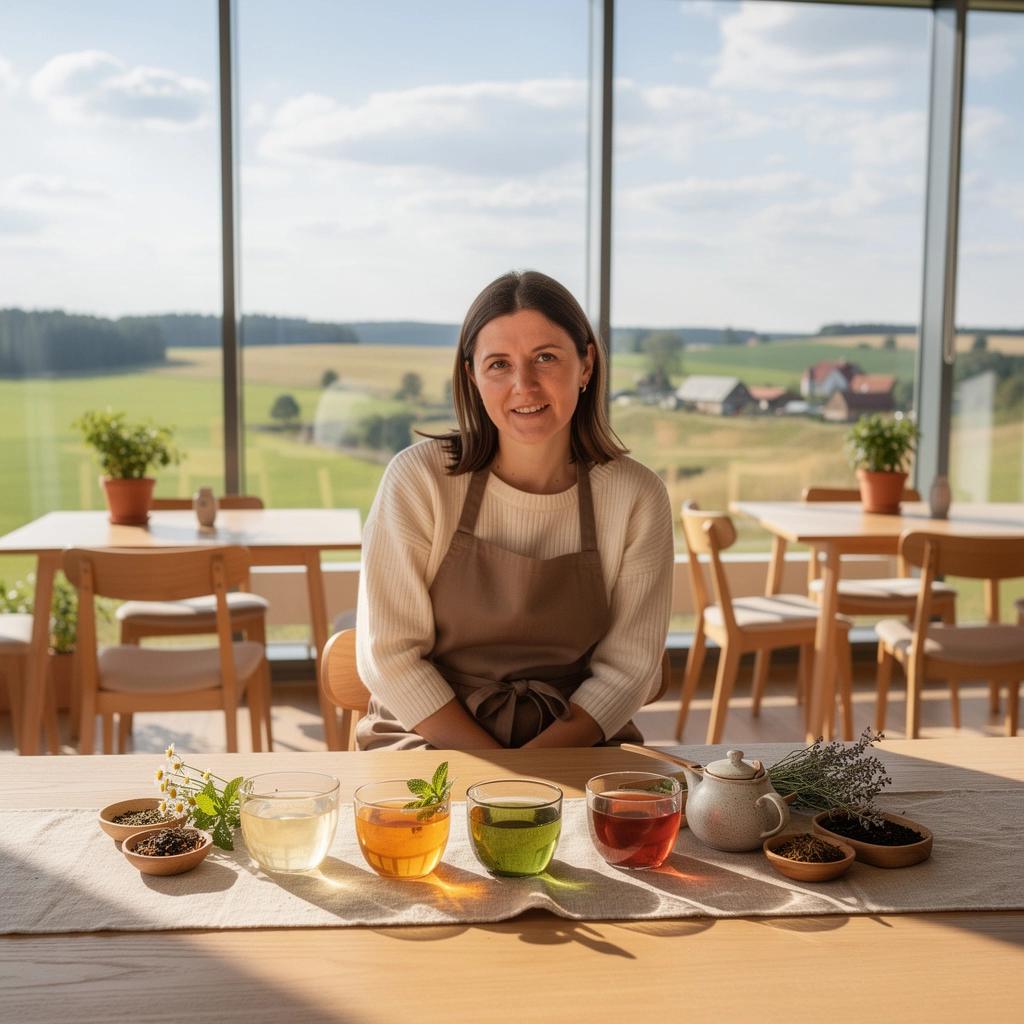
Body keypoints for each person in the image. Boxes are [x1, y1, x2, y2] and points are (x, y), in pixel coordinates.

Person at [355, 270, 674, 750]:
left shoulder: (637, 496)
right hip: (425, 736)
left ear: (586, 365)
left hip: (578, 742)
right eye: (499, 364)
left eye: (545, 357)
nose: (523, 384)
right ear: (473, 376)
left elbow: (630, 668)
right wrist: (499, 776)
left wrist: (535, 770)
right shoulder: (419, 480)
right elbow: (391, 657)